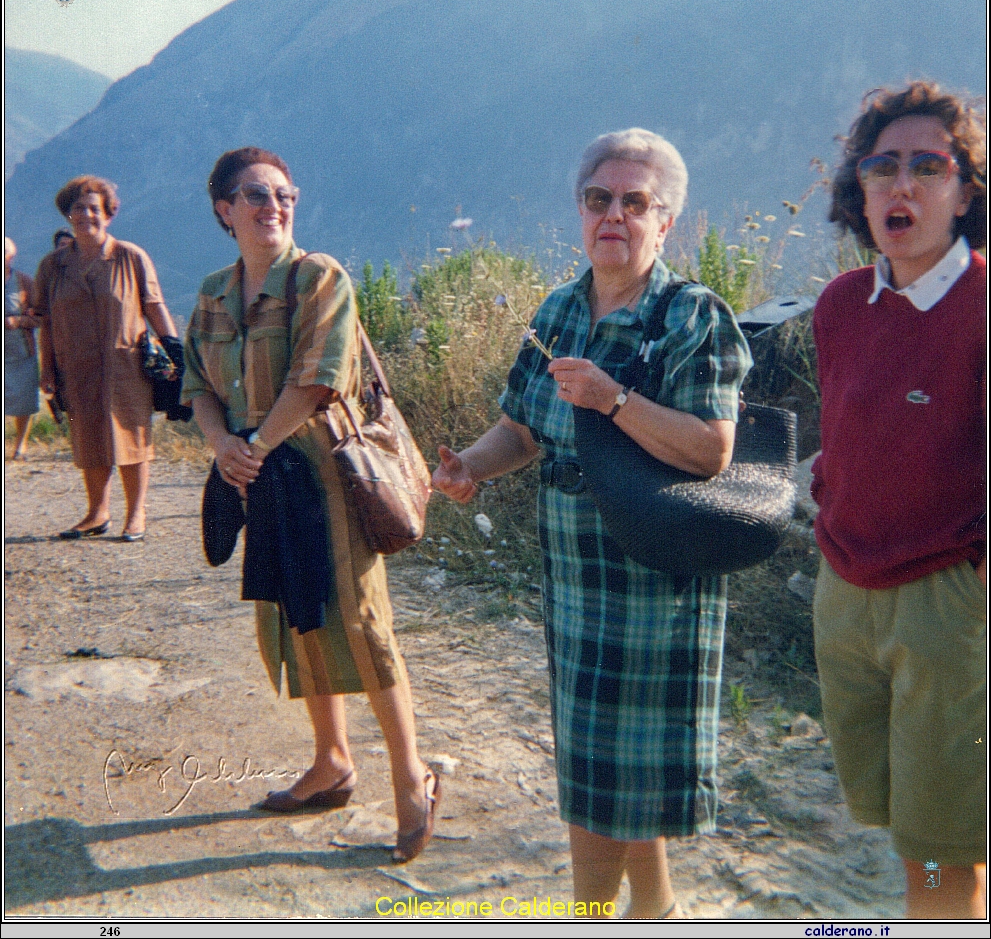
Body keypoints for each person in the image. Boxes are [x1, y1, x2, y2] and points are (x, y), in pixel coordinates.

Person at [433, 129, 752, 917]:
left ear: (665, 220)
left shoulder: (691, 318)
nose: (613, 214)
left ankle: (590, 920)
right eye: (598, 198)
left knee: (599, 784)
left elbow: (710, 450)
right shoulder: (559, 309)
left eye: (634, 202)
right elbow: (523, 429)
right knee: (606, 767)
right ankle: (655, 912)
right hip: (576, 583)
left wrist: (613, 398)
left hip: (653, 583)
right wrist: (470, 466)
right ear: (579, 209)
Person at [181, 147, 438, 863]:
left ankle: (411, 778)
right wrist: (220, 448)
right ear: (223, 210)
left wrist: (252, 444)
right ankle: (331, 763)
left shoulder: (318, 278)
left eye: (285, 193)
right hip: (256, 476)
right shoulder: (210, 295)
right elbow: (196, 384)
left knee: (357, 622)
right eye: (256, 195)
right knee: (291, 615)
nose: (274, 205)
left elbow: (318, 381)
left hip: (324, 475)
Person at [812, 82, 986, 919]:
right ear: (860, 189)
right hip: (843, 593)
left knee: (939, 853)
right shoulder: (842, 304)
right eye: (882, 167)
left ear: (964, 191)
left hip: (945, 605)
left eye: (928, 166)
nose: (901, 186)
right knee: (905, 823)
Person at [33, 176, 179, 541]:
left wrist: (176, 351)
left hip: (126, 366)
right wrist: (47, 368)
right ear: (68, 216)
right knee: (88, 437)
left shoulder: (130, 256)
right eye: (77, 208)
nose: (85, 215)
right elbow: (45, 322)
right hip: (76, 368)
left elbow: (154, 306)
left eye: (93, 208)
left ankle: (136, 514)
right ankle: (97, 513)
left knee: (131, 437)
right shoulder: (53, 266)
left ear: (108, 214)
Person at [4, 237, 40, 461]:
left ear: (10, 257)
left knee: (24, 397)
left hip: (20, 350)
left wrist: (18, 322)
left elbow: (40, 317)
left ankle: (21, 444)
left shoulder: (25, 282)